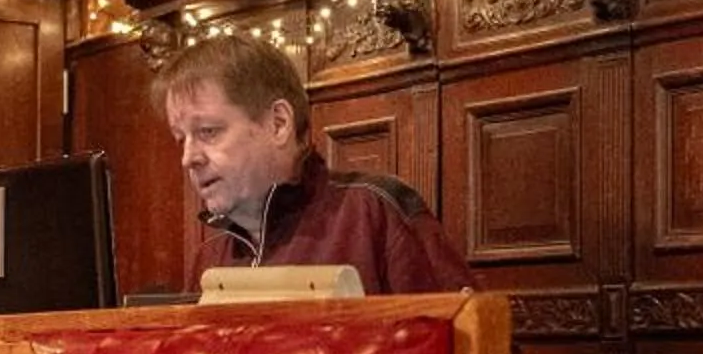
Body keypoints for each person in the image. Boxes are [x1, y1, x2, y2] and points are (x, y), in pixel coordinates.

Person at [155, 34, 474, 294]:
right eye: (181, 138)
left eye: (208, 132)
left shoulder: (375, 212)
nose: (188, 159)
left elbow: (474, 353)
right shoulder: (207, 257)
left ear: (278, 123)